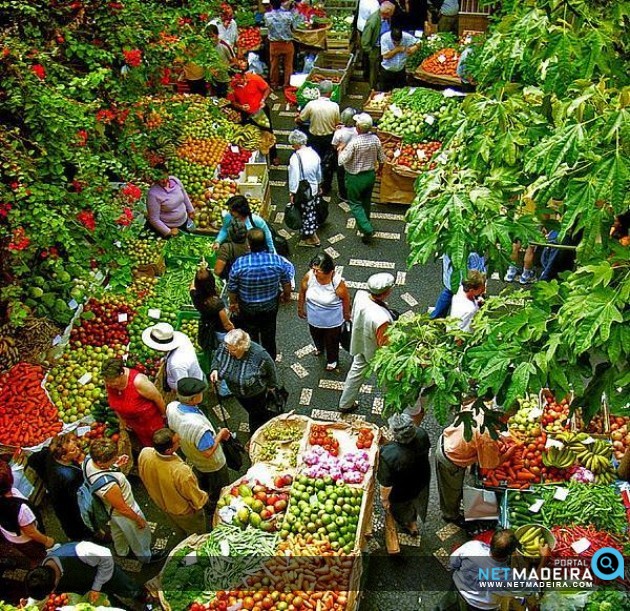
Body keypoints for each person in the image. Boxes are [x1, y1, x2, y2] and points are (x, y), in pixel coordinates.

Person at [435, 391, 517, 525]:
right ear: (500, 415)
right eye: (507, 417)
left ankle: (457, 502)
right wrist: (510, 451)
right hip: (450, 458)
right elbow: (490, 465)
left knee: (453, 488)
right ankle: (451, 515)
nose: (507, 421)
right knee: (450, 491)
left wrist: (499, 436)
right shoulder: (487, 436)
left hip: (450, 440)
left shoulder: (481, 405)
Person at [84, 439, 162, 563]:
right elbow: (122, 508)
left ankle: (121, 551)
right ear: (101, 463)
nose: (116, 459)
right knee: (138, 535)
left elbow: (103, 470)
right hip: (124, 511)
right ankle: (146, 556)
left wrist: (114, 465)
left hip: (110, 510)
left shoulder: (88, 461)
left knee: (117, 531)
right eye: (112, 459)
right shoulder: (108, 485)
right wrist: (138, 519)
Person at [166, 379, 231, 517]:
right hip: (213, 464)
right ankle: (214, 508)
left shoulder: (172, 407)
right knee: (220, 487)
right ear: (193, 399)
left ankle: (205, 493)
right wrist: (221, 434)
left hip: (191, 455)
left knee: (202, 478)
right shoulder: (198, 427)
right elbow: (208, 452)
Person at [227, 228, 294, 360]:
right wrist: (286, 296)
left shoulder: (240, 264)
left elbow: (232, 288)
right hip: (270, 305)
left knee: (251, 334)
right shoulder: (277, 261)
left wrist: (233, 303)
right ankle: (269, 360)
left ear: (249, 244)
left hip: (248, 307)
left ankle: (254, 359)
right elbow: (287, 282)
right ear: (264, 242)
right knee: (269, 333)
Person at [338, 273, 397, 413]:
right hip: (375, 353)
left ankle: (345, 403)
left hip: (361, 343)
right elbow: (385, 345)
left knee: (356, 371)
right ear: (386, 292)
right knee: (387, 382)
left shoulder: (361, 295)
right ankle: (393, 411)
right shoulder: (381, 319)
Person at [138, 428, 210, 537]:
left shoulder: (145, 453)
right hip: (183, 511)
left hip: (163, 504)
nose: (180, 440)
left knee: (178, 527)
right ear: (168, 450)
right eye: (177, 441)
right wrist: (203, 500)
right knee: (196, 534)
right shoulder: (180, 471)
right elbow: (194, 496)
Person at [25, 541, 143, 606]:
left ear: (54, 583)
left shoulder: (80, 552)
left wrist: (96, 587)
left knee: (128, 589)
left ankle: (142, 596)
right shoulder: (41, 576)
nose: (51, 594)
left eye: (50, 592)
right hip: (87, 590)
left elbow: (106, 556)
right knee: (109, 603)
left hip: (107, 576)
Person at [210, 329, 279, 435]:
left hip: (255, 393)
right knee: (252, 411)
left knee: (255, 414)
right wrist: (214, 369)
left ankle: (257, 433)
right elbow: (217, 358)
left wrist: (271, 386)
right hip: (236, 392)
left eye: (233, 350)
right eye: (228, 347)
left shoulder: (260, 355)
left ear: (243, 347)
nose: (229, 351)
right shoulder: (225, 347)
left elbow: (271, 370)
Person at [28, 434, 92, 542]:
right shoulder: (69, 476)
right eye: (73, 450)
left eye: (76, 447)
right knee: (76, 523)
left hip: (57, 498)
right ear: (64, 457)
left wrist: (45, 478)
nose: (78, 449)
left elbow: (32, 459)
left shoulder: (50, 454)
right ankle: (82, 539)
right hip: (68, 505)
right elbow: (78, 496)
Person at [378, 413, 431, 536]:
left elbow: (386, 484)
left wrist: (384, 500)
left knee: (402, 510)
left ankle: (408, 524)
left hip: (401, 491)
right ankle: (413, 523)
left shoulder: (389, 455)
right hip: (421, 478)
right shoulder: (421, 434)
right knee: (416, 501)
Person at [337, 112, 386, 244]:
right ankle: (365, 229)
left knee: (355, 203)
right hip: (370, 175)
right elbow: (382, 158)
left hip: (355, 177)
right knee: (366, 202)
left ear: (358, 127)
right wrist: (379, 170)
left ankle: (366, 228)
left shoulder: (354, 143)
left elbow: (342, 161)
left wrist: (340, 149)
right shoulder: (375, 140)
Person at [297, 252, 351, 371]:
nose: (314, 273)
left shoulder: (337, 284)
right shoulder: (309, 276)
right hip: (314, 319)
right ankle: (320, 348)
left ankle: (332, 360)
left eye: (318, 271)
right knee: (315, 335)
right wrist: (300, 307)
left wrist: (346, 315)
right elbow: (302, 291)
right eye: (313, 269)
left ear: (328, 270)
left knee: (332, 342)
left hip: (332, 322)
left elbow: (346, 300)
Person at [448, 530, 524, 611]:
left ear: (491, 541)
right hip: (479, 606)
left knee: (448, 604)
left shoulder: (473, 546)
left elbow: (453, 562)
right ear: (511, 553)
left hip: (458, 589)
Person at [102, 357, 166, 448]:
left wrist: (165, 417)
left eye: (112, 381)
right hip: (136, 426)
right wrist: (122, 420)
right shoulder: (109, 383)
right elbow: (114, 402)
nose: (109, 384)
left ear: (121, 374)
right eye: (106, 381)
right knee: (149, 448)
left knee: (161, 446)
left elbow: (158, 398)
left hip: (152, 424)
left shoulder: (139, 382)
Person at [0, 461, 53, 568]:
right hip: (27, 540)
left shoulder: (9, 500)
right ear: (11, 480)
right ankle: (43, 569)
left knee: (31, 554)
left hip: (12, 536)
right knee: (38, 556)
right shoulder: (20, 508)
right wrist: (47, 540)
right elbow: (31, 532)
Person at [296, 80, 340, 198]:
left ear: (318, 91)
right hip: (329, 138)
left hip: (314, 138)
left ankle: (312, 184)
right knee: (328, 163)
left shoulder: (311, 105)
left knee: (313, 161)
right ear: (330, 93)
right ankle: (325, 187)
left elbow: (302, 118)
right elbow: (337, 122)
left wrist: (297, 120)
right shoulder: (335, 106)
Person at [227, 68, 279, 165]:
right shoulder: (231, 86)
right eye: (235, 80)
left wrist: (263, 100)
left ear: (244, 76)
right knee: (248, 135)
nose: (238, 82)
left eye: (240, 79)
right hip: (246, 113)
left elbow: (267, 89)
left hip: (260, 111)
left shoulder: (254, 78)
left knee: (268, 133)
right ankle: (249, 158)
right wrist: (241, 107)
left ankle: (274, 156)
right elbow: (233, 102)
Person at [190, 264, 235, 369]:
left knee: (210, 347)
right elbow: (226, 324)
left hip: (206, 326)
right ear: (212, 283)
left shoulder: (195, 296)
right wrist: (234, 330)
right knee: (225, 350)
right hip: (219, 330)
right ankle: (222, 366)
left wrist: (198, 274)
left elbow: (192, 286)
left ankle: (211, 364)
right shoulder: (216, 303)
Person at [142, 322, 204, 394]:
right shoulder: (182, 338)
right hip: (196, 375)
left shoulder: (176, 364)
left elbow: (185, 388)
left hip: (194, 389)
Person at [288, 129, 322, 247]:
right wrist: (318, 184)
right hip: (313, 188)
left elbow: (294, 177)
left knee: (306, 214)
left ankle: (312, 237)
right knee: (311, 211)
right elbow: (318, 172)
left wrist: (292, 192)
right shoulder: (314, 153)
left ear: (296, 144)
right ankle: (310, 234)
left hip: (302, 191)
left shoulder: (295, 158)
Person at [431, 253, 486, 320]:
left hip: (452, 279)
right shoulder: (472, 250)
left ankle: (435, 318)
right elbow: (475, 269)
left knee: (448, 293)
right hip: (467, 282)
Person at [146, 164, 195, 238]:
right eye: (161, 179)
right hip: (170, 226)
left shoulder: (175, 181)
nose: (165, 181)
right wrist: (168, 231)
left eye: (166, 177)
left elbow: (184, 194)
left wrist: (190, 210)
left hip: (184, 221)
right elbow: (153, 219)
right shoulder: (153, 194)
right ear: (156, 179)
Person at [264, 0, 300, 89]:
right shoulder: (288, 15)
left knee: (274, 65)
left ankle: (274, 84)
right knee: (288, 65)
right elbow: (295, 26)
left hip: (274, 44)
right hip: (287, 43)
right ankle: (287, 85)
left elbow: (268, 26)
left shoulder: (267, 15)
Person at [361, 2, 395, 90]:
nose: (392, 14)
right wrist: (371, 52)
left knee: (383, 68)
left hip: (384, 47)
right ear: (387, 13)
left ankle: (382, 86)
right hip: (375, 49)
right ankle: (373, 89)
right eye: (392, 13)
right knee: (374, 71)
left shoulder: (386, 18)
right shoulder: (373, 22)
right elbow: (365, 42)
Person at [379, 27, 420, 91]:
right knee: (385, 92)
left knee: (400, 91)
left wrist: (414, 48)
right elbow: (385, 56)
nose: (397, 44)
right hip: (387, 71)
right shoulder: (385, 38)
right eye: (394, 43)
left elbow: (418, 42)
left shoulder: (406, 36)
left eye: (399, 42)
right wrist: (398, 49)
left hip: (400, 71)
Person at [331, 107, 358, 202]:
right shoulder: (358, 131)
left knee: (341, 176)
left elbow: (334, 146)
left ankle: (343, 194)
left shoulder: (339, 132)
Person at [207, 23, 237, 98]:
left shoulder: (224, 46)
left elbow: (235, 62)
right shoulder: (208, 46)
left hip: (225, 79)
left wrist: (222, 68)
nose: (211, 39)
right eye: (208, 37)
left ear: (217, 35)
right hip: (214, 79)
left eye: (212, 36)